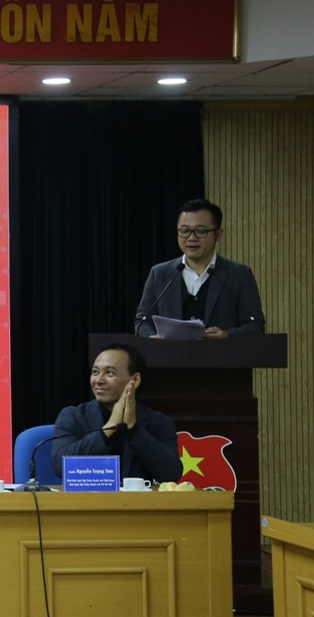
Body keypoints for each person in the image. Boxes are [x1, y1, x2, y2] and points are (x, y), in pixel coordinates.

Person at [134, 198, 265, 338]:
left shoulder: (239, 275)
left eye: (201, 231)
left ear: (218, 234)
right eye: (184, 231)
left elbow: (256, 325)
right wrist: (151, 337)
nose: (191, 238)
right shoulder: (159, 274)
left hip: (221, 352)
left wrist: (227, 335)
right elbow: (142, 321)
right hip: (170, 352)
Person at [51, 343, 181, 482]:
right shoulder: (73, 416)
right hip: (89, 495)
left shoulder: (157, 421)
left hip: (136, 497)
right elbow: (60, 466)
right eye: (95, 372)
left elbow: (171, 474)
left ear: (135, 380)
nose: (99, 380)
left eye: (109, 373)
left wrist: (134, 430)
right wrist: (108, 429)